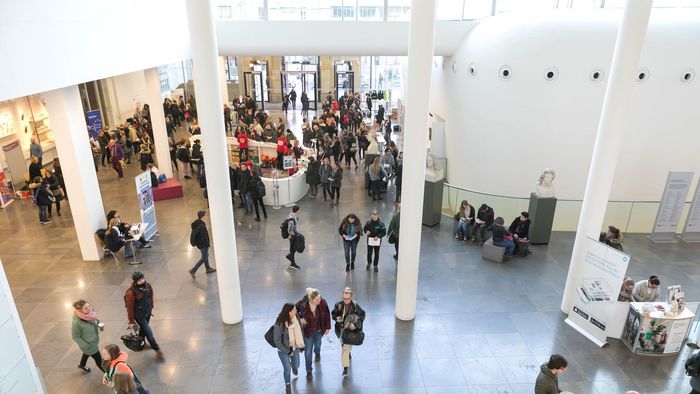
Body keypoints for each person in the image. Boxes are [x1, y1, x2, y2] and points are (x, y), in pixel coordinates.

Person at [124, 271, 163, 359]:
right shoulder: (130, 293)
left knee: (143, 329)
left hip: (147, 312)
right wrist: (131, 321)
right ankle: (157, 349)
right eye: (139, 280)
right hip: (139, 315)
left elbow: (151, 295)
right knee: (148, 332)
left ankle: (142, 344)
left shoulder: (147, 286)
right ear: (135, 281)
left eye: (142, 279)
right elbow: (129, 308)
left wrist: (151, 305)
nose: (142, 281)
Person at [295, 288, 331, 378]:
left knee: (318, 345)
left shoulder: (322, 302)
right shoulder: (302, 304)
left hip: (319, 330)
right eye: (317, 299)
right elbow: (292, 311)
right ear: (311, 300)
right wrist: (300, 318)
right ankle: (309, 370)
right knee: (308, 351)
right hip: (308, 332)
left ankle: (317, 353)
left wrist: (328, 327)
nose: (320, 300)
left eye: (320, 298)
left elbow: (327, 314)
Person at [331, 287, 366, 378]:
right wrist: (336, 317)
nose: (346, 300)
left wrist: (354, 324)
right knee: (344, 346)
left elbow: (362, 315)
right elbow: (333, 314)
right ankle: (347, 360)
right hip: (341, 329)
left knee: (346, 348)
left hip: (350, 329)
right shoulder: (338, 305)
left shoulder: (355, 305)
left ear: (351, 297)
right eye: (344, 298)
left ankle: (345, 368)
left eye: (348, 298)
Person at [273, 303, 303, 388]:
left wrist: (301, 344)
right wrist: (288, 352)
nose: (296, 310)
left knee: (297, 364)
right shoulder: (279, 324)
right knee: (287, 368)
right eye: (294, 310)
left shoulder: (296, 318)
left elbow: (300, 331)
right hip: (283, 350)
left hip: (294, 347)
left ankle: (294, 367)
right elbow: (277, 341)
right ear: (289, 312)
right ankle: (287, 383)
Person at [71, 299, 105, 373]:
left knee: (86, 353)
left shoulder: (89, 314)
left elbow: (94, 321)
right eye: (86, 308)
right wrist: (86, 345)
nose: (89, 309)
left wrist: (98, 324)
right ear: (79, 310)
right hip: (89, 345)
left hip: (93, 341)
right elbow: (75, 337)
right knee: (99, 360)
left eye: (88, 306)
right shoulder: (76, 323)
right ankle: (109, 376)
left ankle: (82, 365)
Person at [189, 210, 216, 278]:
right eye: (205, 215)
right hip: (203, 244)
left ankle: (208, 268)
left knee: (206, 255)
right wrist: (207, 244)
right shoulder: (202, 226)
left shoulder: (197, 223)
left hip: (199, 244)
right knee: (204, 257)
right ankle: (193, 270)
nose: (207, 216)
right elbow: (205, 237)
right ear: (203, 217)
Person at [285, 205, 301, 270]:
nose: (300, 211)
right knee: (293, 249)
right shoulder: (292, 218)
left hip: (294, 235)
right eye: (299, 210)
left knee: (293, 248)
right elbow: (290, 229)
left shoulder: (293, 214)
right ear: (297, 210)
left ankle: (289, 256)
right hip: (293, 236)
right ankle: (293, 264)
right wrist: (294, 235)